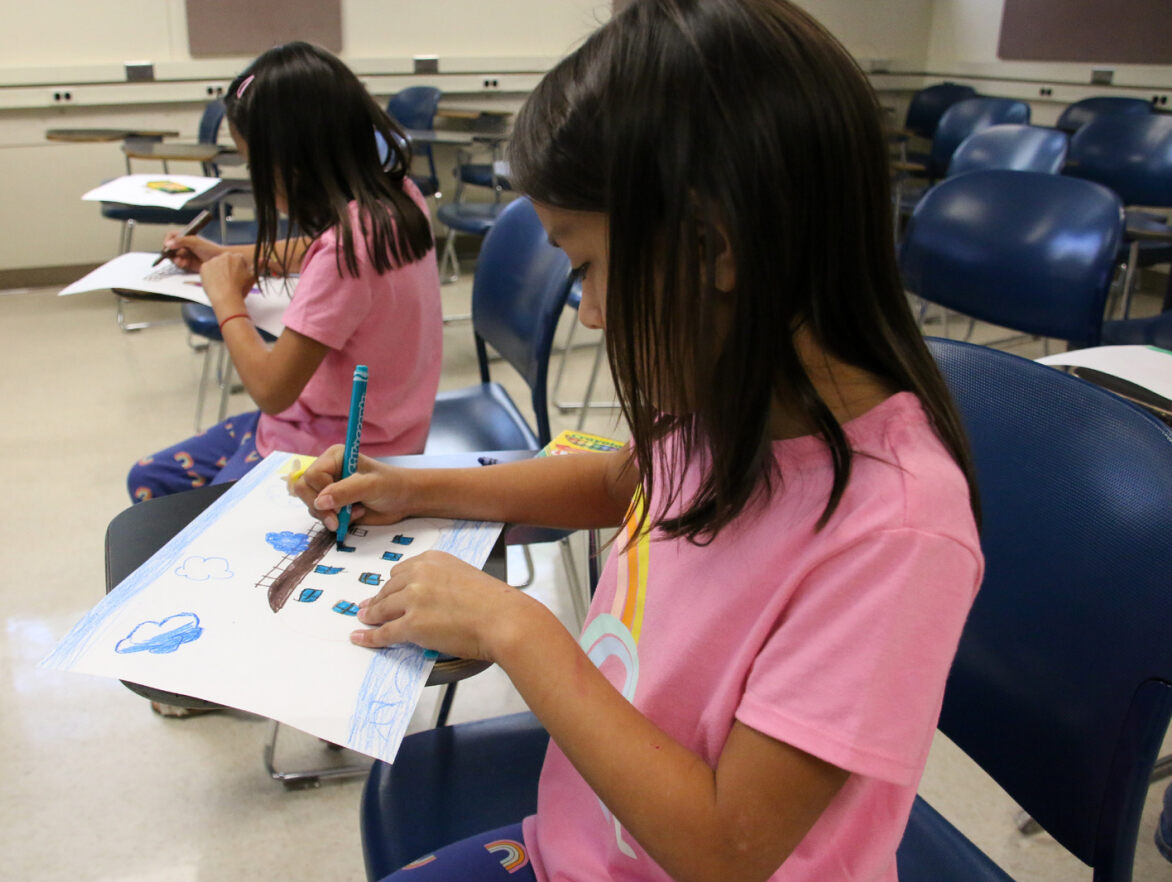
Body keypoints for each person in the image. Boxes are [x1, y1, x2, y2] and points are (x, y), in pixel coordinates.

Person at [291, 1, 983, 879]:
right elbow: (629, 480)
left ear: (713, 244)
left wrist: (519, 630)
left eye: (585, 263)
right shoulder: (740, 400)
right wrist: (416, 485)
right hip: (582, 844)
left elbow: (726, 850)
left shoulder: (898, 529)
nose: (588, 310)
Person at [127, 42, 441, 503]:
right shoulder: (396, 197)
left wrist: (226, 298)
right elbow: (318, 251)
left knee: (178, 517)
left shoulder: (346, 250)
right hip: (359, 428)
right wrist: (228, 257)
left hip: (333, 458)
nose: (254, 176)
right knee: (148, 478)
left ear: (295, 161)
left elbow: (272, 390)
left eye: (254, 164)